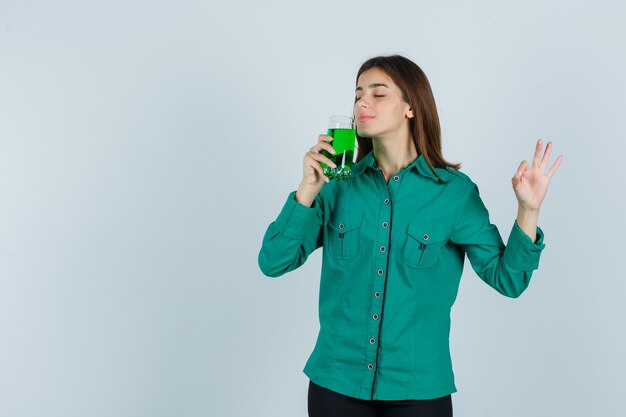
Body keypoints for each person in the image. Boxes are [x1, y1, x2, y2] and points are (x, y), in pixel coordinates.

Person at [258, 55, 562, 417]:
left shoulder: (453, 193)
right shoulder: (337, 185)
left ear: (410, 107)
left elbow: (508, 279)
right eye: (357, 95)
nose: (362, 103)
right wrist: (307, 190)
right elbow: (273, 262)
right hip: (335, 384)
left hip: (418, 392)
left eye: (378, 93)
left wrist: (528, 209)